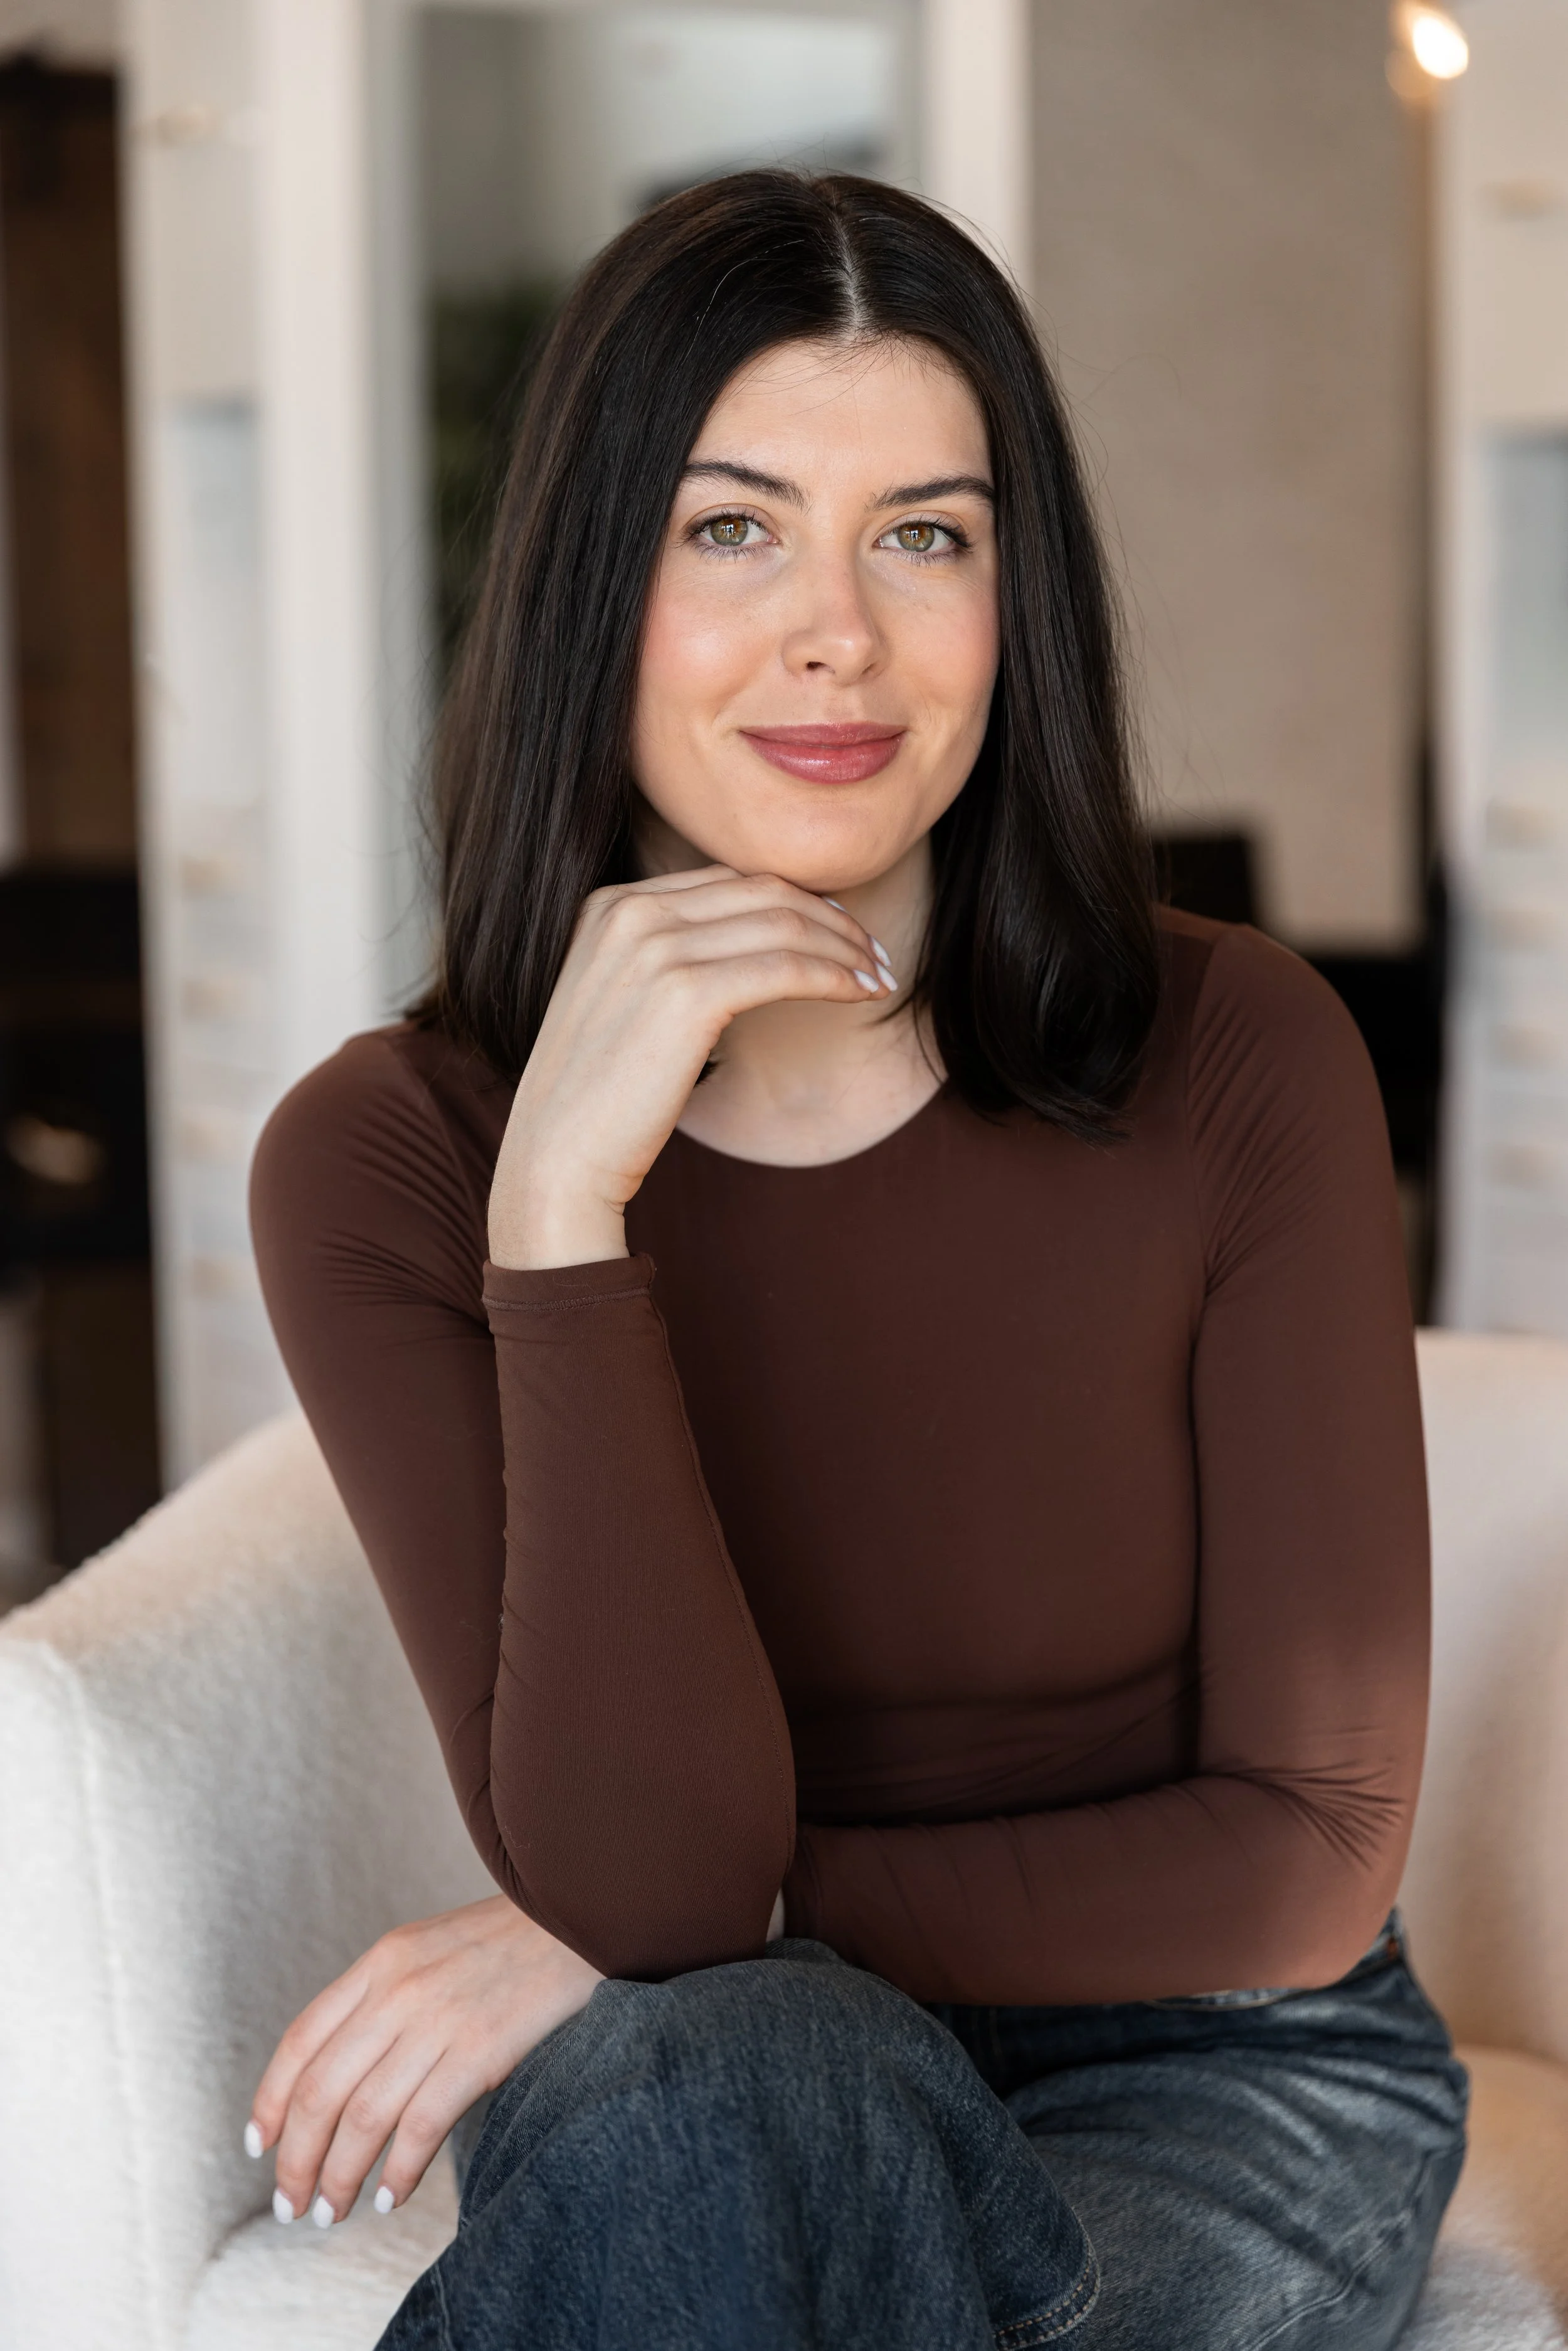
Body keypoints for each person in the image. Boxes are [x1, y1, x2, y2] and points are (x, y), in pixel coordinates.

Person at [247, 170, 1466, 2351]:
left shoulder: (1239, 1048)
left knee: (734, 2195)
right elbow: (648, 1891)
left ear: (1017, 606)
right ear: (586, 588)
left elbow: (1308, 1852)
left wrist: (702, 1929)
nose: (839, 631)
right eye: (732, 529)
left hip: (1219, 2062)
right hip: (714, 2052)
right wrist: (560, 1224)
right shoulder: (394, 1158)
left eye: (925, 533)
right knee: (733, 2110)